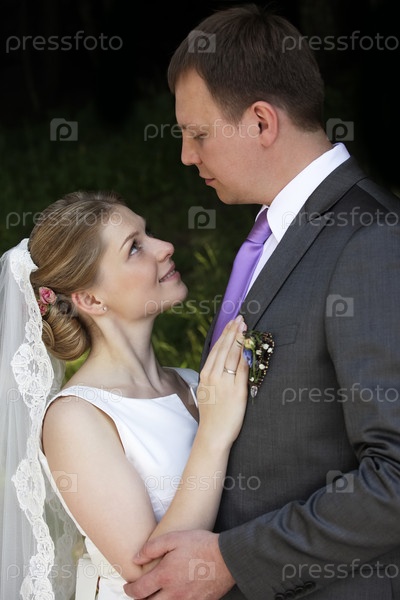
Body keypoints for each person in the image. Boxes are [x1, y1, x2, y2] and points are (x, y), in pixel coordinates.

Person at [123, 4, 400, 600]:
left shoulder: (372, 240)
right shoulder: (278, 234)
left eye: (198, 134)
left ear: (260, 122)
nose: (186, 156)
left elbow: (395, 477)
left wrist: (232, 559)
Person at [0, 189, 250, 600]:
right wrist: (214, 433)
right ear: (90, 299)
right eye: (135, 247)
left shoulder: (194, 383)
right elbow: (153, 576)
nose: (165, 247)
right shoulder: (75, 417)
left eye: (147, 234)